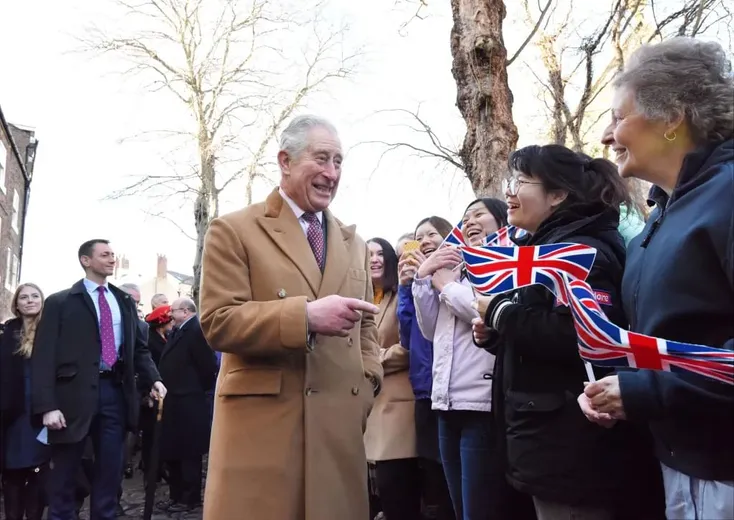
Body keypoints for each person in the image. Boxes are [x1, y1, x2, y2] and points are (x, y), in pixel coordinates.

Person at [199, 114, 383, 520]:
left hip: (338, 433)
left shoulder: (355, 244)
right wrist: (305, 317)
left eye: (338, 161)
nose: (331, 173)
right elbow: (217, 320)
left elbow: (367, 327)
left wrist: (367, 383)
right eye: (321, 159)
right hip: (264, 433)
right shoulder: (234, 229)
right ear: (285, 161)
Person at [581, 37, 734, 520]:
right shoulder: (656, 220)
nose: (606, 136)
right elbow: (672, 340)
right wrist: (620, 389)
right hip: (677, 467)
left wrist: (646, 393)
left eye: (618, 116)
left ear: (672, 118)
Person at [474, 145, 665, 520]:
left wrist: (500, 312)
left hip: (572, 448)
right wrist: (497, 334)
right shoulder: (543, 248)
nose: (509, 192)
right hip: (545, 439)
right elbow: (541, 327)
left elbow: (584, 335)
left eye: (521, 181)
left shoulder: (580, 251)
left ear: (558, 194)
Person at [31, 239, 166, 520]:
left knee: (109, 473)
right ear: (86, 260)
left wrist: (153, 378)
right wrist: (47, 406)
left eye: (113, 255)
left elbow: (138, 349)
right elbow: (43, 357)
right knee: (65, 476)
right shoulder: (60, 302)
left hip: (114, 394)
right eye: (104, 255)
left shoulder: (124, 301)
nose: (111, 259)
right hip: (70, 399)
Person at [412, 198, 506, 520]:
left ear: (502, 222)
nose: (470, 222)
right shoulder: (456, 271)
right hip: (445, 402)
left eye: (480, 214)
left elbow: (491, 315)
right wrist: (424, 280)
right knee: (460, 508)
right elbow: (428, 330)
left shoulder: (504, 265)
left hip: (482, 404)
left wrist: (448, 288)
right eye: (465, 218)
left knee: (480, 510)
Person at [397, 216, 456, 520]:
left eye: (432, 234)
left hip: (454, 387)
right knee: (433, 471)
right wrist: (406, 288)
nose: (425, 241)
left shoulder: (456, 275)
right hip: (424, 390)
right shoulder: (414, 284)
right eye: (419, 237)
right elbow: (407, 337)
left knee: (455, 474)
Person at [363, 237, 420, 520]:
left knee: (397, 497)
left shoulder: (402, 295)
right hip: (362, 410)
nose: (373, 258)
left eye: (379, 253)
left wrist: (370, 358)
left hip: (395, 410)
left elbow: (411, 349)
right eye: (367, 253)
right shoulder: (361, 299)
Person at [156, 297, 217, 513]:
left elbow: (207, 365)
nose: (170, 315)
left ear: (185, 311)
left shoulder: (195, 331)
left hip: (190, 401)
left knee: (189, 453)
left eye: (173, 311)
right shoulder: (179, 330)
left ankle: (189, 498)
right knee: (174, 450)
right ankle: (177, 495)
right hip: (175, 401)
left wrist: (194, 388)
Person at [0, 283, 50, 520]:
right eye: (24, 297)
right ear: (16, 304)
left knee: (39, 471)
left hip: (43, 411)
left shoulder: (52, 331)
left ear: (42, 300)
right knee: (13, 471)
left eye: (34, 296)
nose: (30, 300)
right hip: (14, 412)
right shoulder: (8, 333)